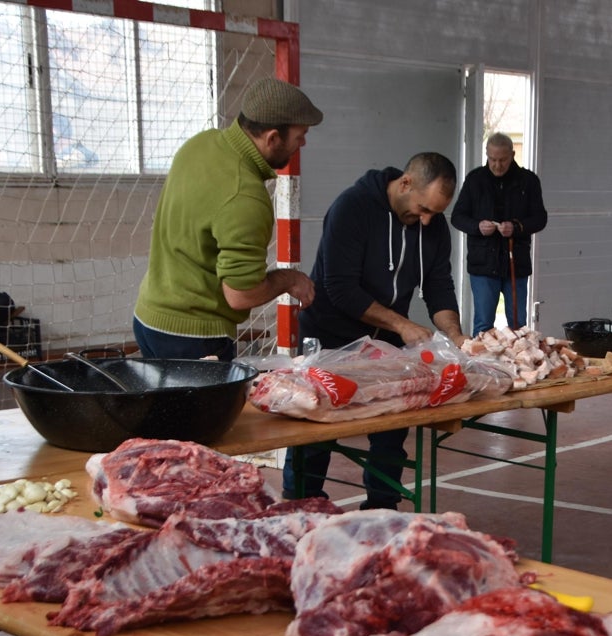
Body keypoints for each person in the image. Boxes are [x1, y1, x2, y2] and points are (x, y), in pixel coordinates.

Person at [284, 152, 469, 509]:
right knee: (317, 424)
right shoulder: (352, 208)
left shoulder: (432, 227)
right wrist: (402, 325)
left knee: (392, 423)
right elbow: (340, 288)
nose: (428, 220)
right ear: (405, 183)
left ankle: (381, 506)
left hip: (384, 341)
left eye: (436, 213)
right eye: (423, 208)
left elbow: (439, 286)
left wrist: (456, 336)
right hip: (329, 334)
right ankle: (299, 503)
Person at [132, 78, 323, 361]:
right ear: (272, 138)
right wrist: (289, 279)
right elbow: (240, 295)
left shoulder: (200, 144)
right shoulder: (245, 197)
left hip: (148, 318)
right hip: (194, 337)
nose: (303, 143)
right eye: (300, 136)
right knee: (210, 408)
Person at [450, 133, 548, 336]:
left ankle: (520, 366)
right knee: (483, 326)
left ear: (512, 155)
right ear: (486, 154)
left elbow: (540, 218)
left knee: (518, 327)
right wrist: (477, 226)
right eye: (492, 159)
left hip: (516, 264)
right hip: (482, 264)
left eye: (502, 160)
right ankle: (482, 367)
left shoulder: (528, 181)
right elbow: (457, 217)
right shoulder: (475, 179)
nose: (497, 165)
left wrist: (517, 227)